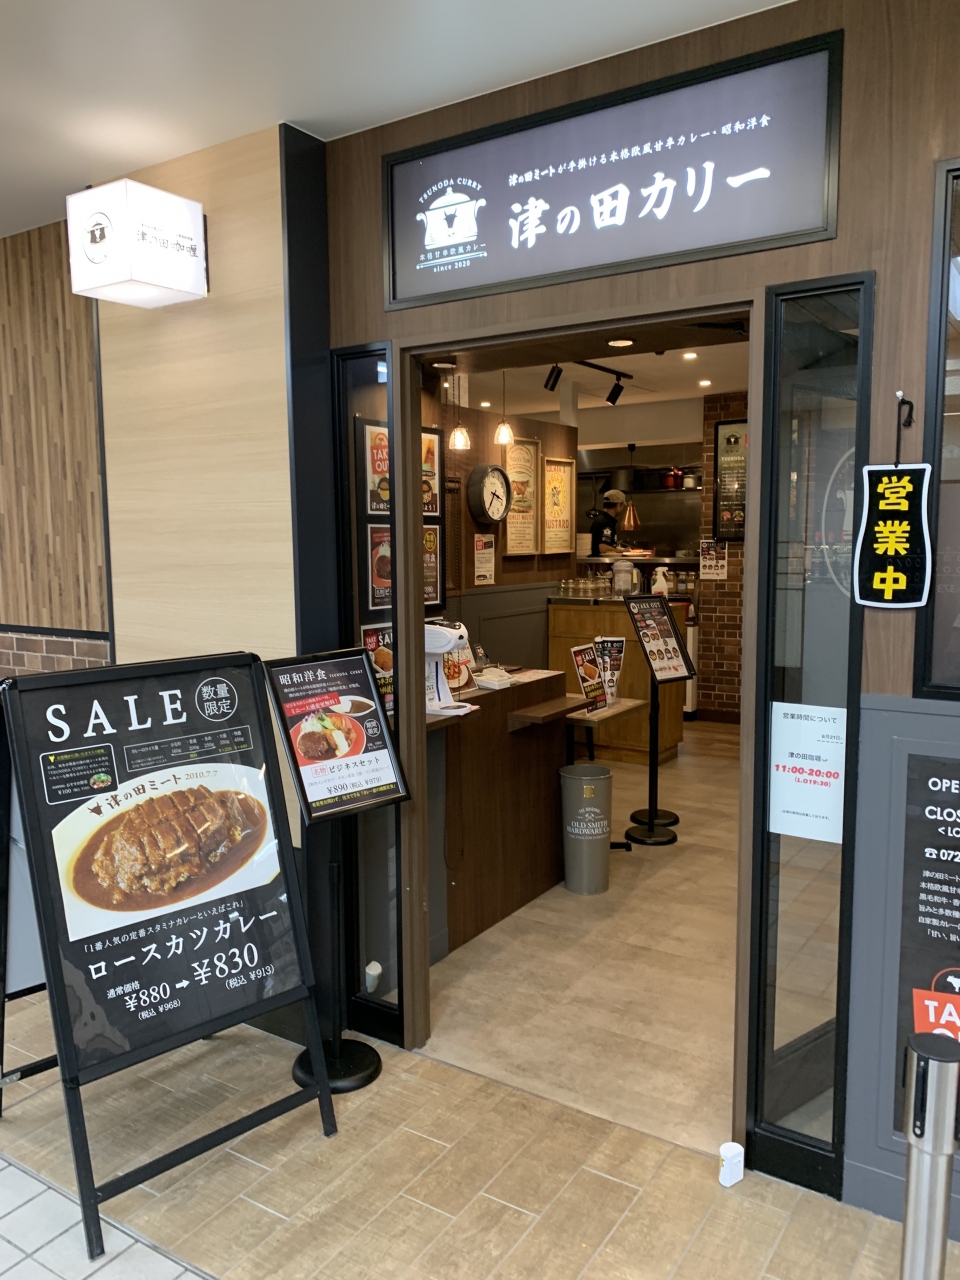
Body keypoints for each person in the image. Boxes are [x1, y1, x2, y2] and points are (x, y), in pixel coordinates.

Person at [590, 489, 625, 557]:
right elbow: (603, 547)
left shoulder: (602, 519)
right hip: (600, 562)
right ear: (619, 505)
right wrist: (621, 551)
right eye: (622, 505)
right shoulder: (606, 522)